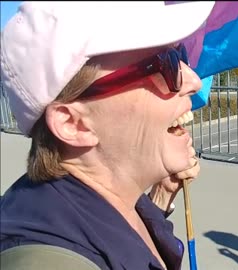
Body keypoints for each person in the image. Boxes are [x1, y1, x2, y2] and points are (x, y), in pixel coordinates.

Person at [0, 2, 214, 270]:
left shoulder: (111, 196)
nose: (193, 81)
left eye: (179, 55)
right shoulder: (46, 259)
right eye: (165, 66)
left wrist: (159, 200)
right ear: (74, 124)